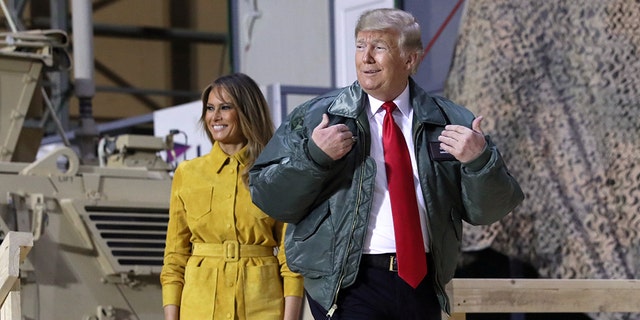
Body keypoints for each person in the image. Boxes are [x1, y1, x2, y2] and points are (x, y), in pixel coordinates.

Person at [249, 8, 524, 320]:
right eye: (359, 46)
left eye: (379, 47)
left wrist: (479, 162)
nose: (366, 58)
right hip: (350, 282)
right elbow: (267, 196)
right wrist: (313, 157)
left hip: (422, 282)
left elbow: (490, 210)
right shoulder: (316, 117)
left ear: (411, 60)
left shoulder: (451, 121)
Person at [160, 73, 304, 320]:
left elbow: (290, 259)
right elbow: (175, 258)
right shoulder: (188, 173)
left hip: (262, 307)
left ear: (247, 112)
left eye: (225, 108)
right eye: (210, 108)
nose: (215, 117)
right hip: (200, 308)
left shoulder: (277, 172)